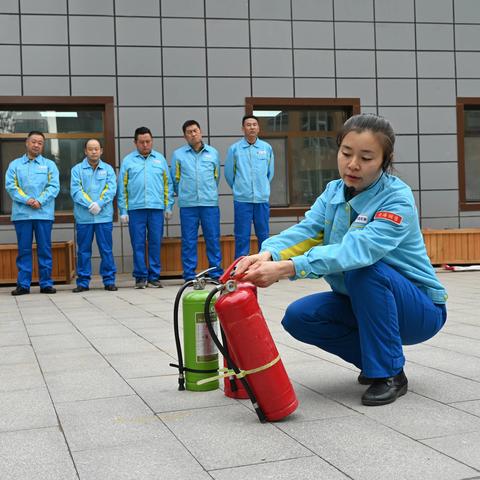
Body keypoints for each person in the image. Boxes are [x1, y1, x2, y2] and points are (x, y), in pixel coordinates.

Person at [235, 114, 447, 406]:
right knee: (300, 317)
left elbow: (358, 250)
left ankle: (389, 374)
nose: (353, 164)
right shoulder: (333, 192)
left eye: (366, 157)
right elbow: (308, 229)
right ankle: (379, 361)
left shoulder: (397, 198)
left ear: (385, 161)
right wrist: (267, 253)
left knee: (365, 271)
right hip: (364, 302)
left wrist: (287, 268)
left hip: (418, 310)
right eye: (346, 153)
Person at [117, 127, 173, 289]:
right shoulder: (128, 161)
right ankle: (141, 277)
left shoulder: (160, 160)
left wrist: (168, 206)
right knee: (138, 243)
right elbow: (123, 187)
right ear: (135, 142)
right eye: (141, 142)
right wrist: (123, 210)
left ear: (152, 141)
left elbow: (167, 184)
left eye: (148, 141)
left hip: (156, 208)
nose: (145, 145)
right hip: (136, 209)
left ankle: (154, 276)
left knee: (155, 242)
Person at [5, 131, 60, 295]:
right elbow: (11, 186)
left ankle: (46, 283)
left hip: (43, 214)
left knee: (45, 249)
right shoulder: (15, 165)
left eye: (40, 143)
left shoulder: (50, 165)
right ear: (27, 143)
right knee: (24, 250)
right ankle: (23, 284)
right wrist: (28, 200)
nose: (36, 145)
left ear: (43, 145)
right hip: (22, 215)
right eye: (34, 142)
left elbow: (53, 186)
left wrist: (40, 201)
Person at [170, 120, 223, 282]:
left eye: (195, 130)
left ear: (200, 132)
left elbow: (216, 177)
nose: (193, 134)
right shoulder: (178, 155)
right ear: (184, 136)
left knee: (213, 238)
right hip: (188, 205)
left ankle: (215, 273)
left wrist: (208, 192)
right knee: (188, 240)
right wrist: (185, 194)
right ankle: (189, 275)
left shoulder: (213, 153)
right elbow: (175, 179)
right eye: (189, 132)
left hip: (209, 204)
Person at [70, 139, 117, 292]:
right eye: (90, 149)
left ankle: (109, 280)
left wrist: (100, 203)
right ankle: (83, 282)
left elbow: (111, 189)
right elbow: (76, 191)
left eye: (96, 149)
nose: (94, 152)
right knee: (83, 250)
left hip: (103, 217)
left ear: (101, 151)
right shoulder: (77, 170)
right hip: (84, 217)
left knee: (106, 249)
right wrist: (90, 204)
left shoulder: (108, 169)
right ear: (85, 151)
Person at [225, 114, 274, 258]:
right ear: (243, 128)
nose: (252, 127)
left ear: (258, 128)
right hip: (242, 200)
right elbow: (229, 174)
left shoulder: (267, 148)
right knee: (241, 236)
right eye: (248, 125)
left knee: (264, 235)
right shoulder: (234, 149)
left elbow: (270, 173)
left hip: (262, 200)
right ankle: (240, 270)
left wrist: (262, 188)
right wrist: (239, 188)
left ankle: (264, 267)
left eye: (254, 124)